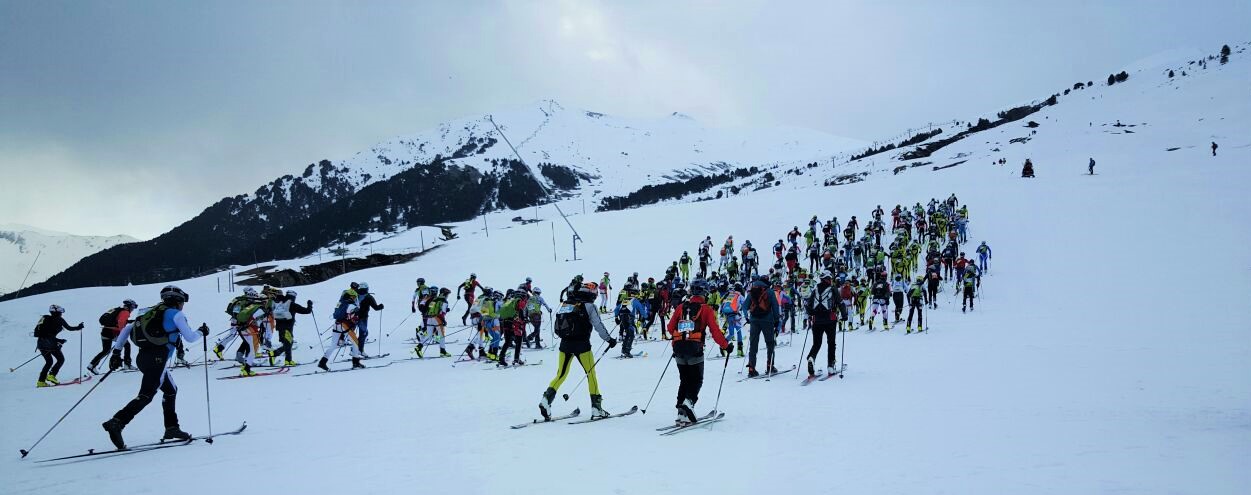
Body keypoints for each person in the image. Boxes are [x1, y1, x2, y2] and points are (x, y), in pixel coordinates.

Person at [102, 286, 206, 448]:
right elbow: (190, 337)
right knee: (146, 395)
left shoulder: (149, 312)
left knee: (170, 390)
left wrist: (116, 353)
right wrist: (202, 331)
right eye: (182, 302)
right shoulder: (176, 314)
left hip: (143, 358)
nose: (183, 305)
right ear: (178, 301)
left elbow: (127, 329)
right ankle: (117, 422)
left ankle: (171, 428)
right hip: (159, 358)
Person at [538, 282, 617, 421]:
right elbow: (598, 325)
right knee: (591, 375)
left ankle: (546, 400)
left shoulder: (567, 303)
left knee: (561, 375)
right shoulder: (590, 306)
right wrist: (609, 339)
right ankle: (596, 408)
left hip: (565, 345)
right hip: (582, 346)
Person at [666, 280, 730, 424]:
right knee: (696, 380)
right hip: (695, 349)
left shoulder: (681, 307)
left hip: (679, 349)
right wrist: (725, 346)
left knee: (684, 380)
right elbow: (715, 331)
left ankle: (681, 413)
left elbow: (670, 328)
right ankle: (689, 402)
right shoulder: (706, 309)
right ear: (704, 292)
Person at [33, 305, 84, 387]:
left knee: (48, 362)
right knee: (60, 359)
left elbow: (44, 333)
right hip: (50, 344)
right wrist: (79, 327)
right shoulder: (59, 319)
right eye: (60, 311)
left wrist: (58, 340)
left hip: (41, 344)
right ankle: (51, 375)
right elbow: (69, 328)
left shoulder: (45, 318)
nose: (61, 313)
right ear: (57, 312)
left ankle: (41, 381)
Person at [318, 287, 366, 371]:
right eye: (354, 297)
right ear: (351, 297)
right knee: (355, 342)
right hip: (345, 326)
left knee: (333, 345)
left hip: (336, 324)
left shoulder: (339, 303)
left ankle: (322, 362)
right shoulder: (351, 305)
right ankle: (356, 363)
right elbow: (355, 316)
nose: (355, 299)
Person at [805, 271, 840, 376]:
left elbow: (809, 305)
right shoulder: (833, 289)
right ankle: (830, 366)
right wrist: (844, 315)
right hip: (830, 320)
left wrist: (810, 315)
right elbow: (840, 302)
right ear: (828, 279)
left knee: (817, 343)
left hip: (817, 320)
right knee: (831, 343)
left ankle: (811, 358)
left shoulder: (815, 290)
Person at [88, 299, 137, 375]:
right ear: (129, 306)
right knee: (127, 345)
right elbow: (121, 322)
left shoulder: (118, 310)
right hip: (113, 333)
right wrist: (122, 334)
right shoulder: (125, 312)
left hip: (105, 332)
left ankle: (91, 365)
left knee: (106, 350)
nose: (133, 309)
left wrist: (129, 321)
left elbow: (118, 320)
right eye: (133, 307)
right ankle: (127, 364)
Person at [745, 276, 781, 377]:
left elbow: (745, 306)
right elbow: (775, 306)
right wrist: (776, 320)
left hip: (754, 320)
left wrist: (747, 317)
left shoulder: (752, 291)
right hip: (767, 320)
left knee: (753, 344)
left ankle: (751, 368)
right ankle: (770, 366)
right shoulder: (769, 291)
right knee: (770, 343)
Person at [271, 290, 312, 366]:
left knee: (288, 343)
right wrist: (310, 304)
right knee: (288, 343)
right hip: (287, 328)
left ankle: (281, 357)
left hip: (279, 327)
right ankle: (281, 357)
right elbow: (307, 311)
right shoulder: (292, 304)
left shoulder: (279, 303)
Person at [415, 287, 454, 358]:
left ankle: (419, 347)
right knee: (442, 335)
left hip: (429, 318)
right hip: (437, 319)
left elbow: (429, 308)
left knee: (429, 335)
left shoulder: (434, 299)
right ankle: (443, 352)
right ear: (444, 294)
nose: (447, 296)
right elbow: (442, 313)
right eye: (447, 294)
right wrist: (444, 321)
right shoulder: (444, 301)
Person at [496, 287, 530, 366]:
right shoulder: (520, 301)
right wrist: (524, 319)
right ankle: (516, 359)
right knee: (519, 341)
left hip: (505, 322)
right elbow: (521, 310)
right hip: (514, 324)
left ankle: (501, 359)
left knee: (507, 342)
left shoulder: (509, 301)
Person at [614, 286, 647, 358]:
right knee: (631, 334)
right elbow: (641, 310)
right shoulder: (635, 301)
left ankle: (624, 349)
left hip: (622, 318)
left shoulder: (624, 300)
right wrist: (646, 317)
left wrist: (616, 317)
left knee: (628, 333)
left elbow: (616, 309)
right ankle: (627, 351)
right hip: (629, 318)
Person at [353, 283, 384, 354]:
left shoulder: (355, 295)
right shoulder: (369, 297)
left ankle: (354, 348)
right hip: (363, 318)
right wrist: (381, 306)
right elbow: (376, 308)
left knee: (352, 333)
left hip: (353, 317)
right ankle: (359, 350)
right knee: (363, 333)